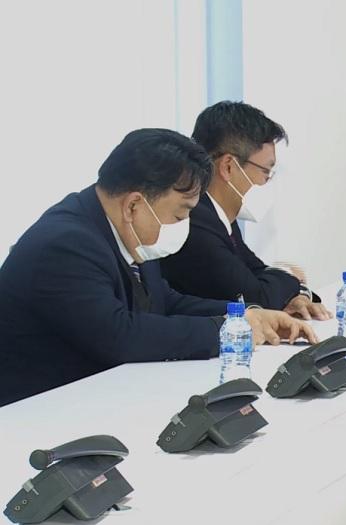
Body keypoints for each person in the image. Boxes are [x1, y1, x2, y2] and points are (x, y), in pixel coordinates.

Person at [0, 129, 318, 407]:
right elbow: (120, 336)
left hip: (99, 396)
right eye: (179, 215)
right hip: (34, 413)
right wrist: (224, 330)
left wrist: (246, 316)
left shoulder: (126, 230)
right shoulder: (65, 244)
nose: (184, 225)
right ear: (134, 205)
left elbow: (164, 301)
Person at [160, 101, 331, 321]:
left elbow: (257, 271)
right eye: (266, 171)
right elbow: (257, 297)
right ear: (228, 167)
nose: (267, 181)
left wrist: (298, 295)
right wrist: (290, 276)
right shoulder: (195, 220)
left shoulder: (220, 216)